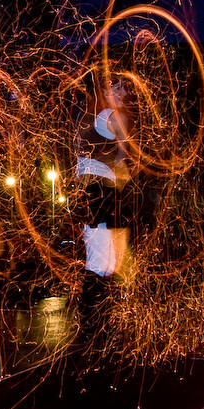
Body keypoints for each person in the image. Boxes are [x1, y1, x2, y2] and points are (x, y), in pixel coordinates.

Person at [74, 73, 134, 336]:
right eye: (119, 89)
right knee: (105, 261)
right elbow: (125, 154)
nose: (124, 94)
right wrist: (123, 171)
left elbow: (80, 156)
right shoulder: (115, 116)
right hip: (104, 191)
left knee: (101, 257)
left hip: (90, 191)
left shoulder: (84, 119)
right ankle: (95, 319)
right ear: (106, 91)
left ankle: (92, 318)